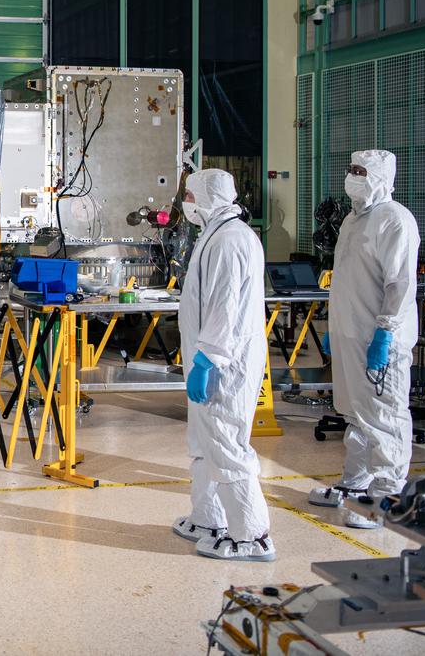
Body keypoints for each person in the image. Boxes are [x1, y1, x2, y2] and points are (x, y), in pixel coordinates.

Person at [310, 150, 420, 528]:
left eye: (362, 171)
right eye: (351, 170)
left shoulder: (395, 220)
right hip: (351, 335)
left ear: (381, 177)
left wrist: (385, 333)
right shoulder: (353, 221)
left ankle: (389, 497)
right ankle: (356, 485)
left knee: (385, 416)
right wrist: (336, 331)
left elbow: (401, 286)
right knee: (356, 414)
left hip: (379, 340)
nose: (353, 176)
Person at [172, 169, 275, 561]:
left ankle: (252, 534)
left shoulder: (231, 239)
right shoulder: (215, 233)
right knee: (203, 441)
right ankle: (209, 517)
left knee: (227, 441)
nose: (187, 204)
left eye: (191, 196)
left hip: (225, 362)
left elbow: (226, 307)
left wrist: (208, 358)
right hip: (209, 355)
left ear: (209, 197)